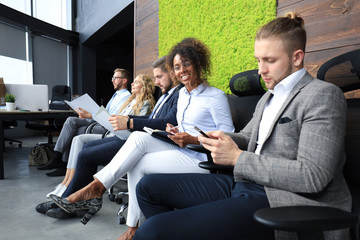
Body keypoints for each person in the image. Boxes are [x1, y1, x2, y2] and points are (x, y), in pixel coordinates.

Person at [133, 12, 352, 240]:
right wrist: (216, 137)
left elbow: (313, 175)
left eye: (270, 60)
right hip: (245, 183)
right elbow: (248, 137)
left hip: (283, 199)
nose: (260, 70)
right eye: (258, 60)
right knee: (147, 187)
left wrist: (237, 158)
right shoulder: (269, 97)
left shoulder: (322, 95)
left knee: (151, 232)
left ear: (297, 58)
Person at [50, 37, 235, 240]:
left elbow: (229, 137)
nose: (181, 70)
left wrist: (192, 139)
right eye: (177, 66)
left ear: (199, 63)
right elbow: (185, 126)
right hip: (180, 149)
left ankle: (104, 196)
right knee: (138, 143)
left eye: (187, 64)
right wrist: (175, 129)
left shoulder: (215, 96)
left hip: (200, 158)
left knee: (138, 159)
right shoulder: (183, 95)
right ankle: (127, 220)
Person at [35, 56, 180, 218]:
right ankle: (74, 200)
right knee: (86, 147)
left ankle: (69, 201)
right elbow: (152, 120)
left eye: (159, 77)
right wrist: (129, 120)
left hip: (143, 142)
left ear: (172, 74)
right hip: (132, 136)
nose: (156, 82)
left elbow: (169, 121)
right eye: (155, 78)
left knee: (85, 155)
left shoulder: (178, 95)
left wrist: (130, 122)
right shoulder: (166, 95)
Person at [45, 74, 156, 198]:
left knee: (82, 146)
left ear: (144, 87)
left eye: (136, 82)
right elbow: (115, 119)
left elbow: (136, 124)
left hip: (121, 137)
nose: (132, 84)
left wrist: (96, 116)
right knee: (78, 140)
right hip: (113, 133)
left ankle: (70, 189)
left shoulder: (144, 104)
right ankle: (65, 184)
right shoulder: (130, 101)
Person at [38, 68, 132, 176]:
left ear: (124, 80)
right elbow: (105, 113)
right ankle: (58, 157)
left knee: (76, 130)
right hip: (98, 122)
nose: (112, 80)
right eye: (112, 78)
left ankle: (63, 163)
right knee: (71, 120)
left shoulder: (126, 97)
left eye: (115, 78)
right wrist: (87, 115)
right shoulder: (115, 96)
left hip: (107, 127)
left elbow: (111, 118)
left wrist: (90, 115)